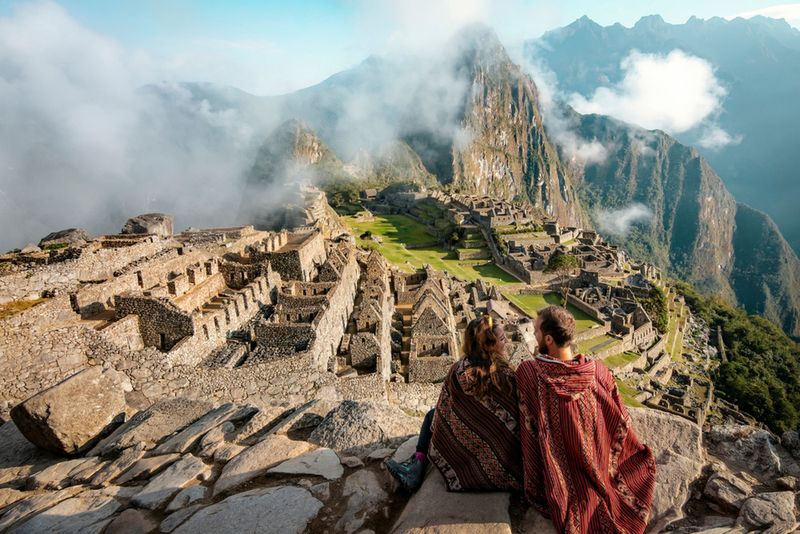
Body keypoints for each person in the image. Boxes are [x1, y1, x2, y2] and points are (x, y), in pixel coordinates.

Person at [516, 305, 656, 534]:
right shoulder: (598, 372)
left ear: (548, 339)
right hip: (602, 464)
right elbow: (620, 419)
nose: (534, 335)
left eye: (536, 331)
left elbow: (528, 429)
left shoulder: (530, 374)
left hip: (563, 482)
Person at [385, 314, 522, 492]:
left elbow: (445, 409)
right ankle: (417, 466)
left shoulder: (458, 370)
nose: (507, 342)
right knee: (434, 415)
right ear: (489, 345)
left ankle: (418, 464)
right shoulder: (506, 377)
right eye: (502, 338)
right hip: (501, 457)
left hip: (461, 450)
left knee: (432, 416)